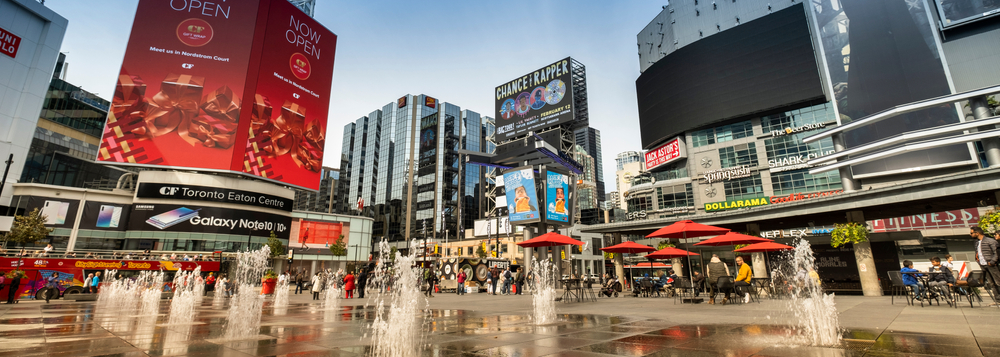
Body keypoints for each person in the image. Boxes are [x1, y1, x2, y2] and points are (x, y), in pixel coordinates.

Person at [972, 227, 1000, 298]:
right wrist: (978, 262)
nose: (970, 234)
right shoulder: (977, 243)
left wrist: (992, 262)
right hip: (983, 265)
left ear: (977, 233)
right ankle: (998, 299)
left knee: (998, 281)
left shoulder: (990, 241)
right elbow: (977, 253)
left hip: (991, 265)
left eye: (972, 233)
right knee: (991, 283)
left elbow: (996, 252)